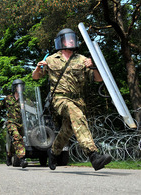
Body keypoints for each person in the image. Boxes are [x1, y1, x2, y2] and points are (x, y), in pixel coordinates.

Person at [32, 28, 112, 171]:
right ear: (61, 41)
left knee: (67, 130)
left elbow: (98, 79)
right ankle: (93, 155)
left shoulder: (82, 59)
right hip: (60, 100)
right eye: (67, 38)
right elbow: (36, 77)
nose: (71, 40)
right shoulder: (51, 59)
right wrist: (38, 68)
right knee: (74, 112)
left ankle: (53, 152)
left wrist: (93, 66)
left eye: (72, 38)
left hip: (79, 101)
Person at [0, 79, 28, 168]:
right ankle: (22, 159)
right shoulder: (8, 98)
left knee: (16, 141)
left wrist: (26, 106)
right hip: (11, 122)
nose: (20, 88)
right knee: (17, 137)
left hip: (22, 123)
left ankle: (9, 154)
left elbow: (32, 109)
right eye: (18, 86)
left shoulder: (25, 99)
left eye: (21, 86)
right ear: (14, 88)